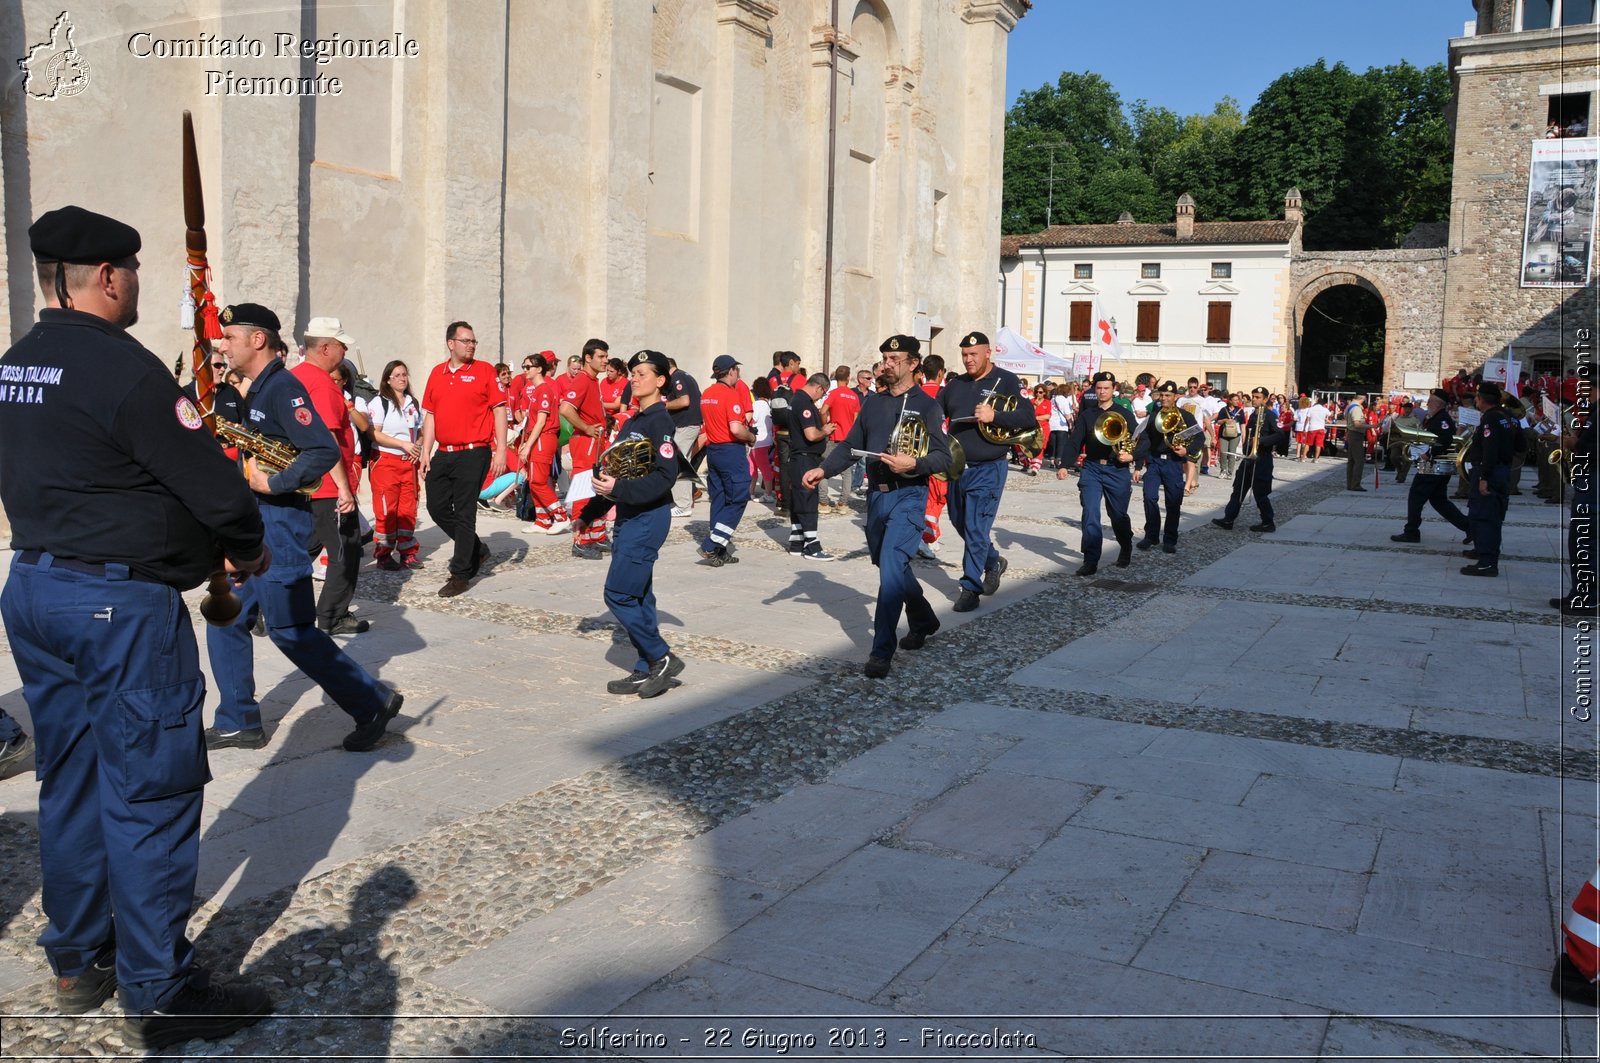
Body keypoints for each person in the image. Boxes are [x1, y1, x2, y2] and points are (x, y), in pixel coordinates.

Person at [0, 206, 274, 1047]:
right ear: (110, 277)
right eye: (135, 274)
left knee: (73, 777)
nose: (136, 287)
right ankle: (159, 987)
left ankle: (80, 957)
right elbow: (214, 486)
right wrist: (245, 547)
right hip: (116, 606)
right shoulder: (125, 369)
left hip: (35, 586)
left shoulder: (15, 363)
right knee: (149, 787)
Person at [204, 302, 404, 754]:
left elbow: (320, 451)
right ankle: (238, 720)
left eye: (230, 337)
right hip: (256, 525)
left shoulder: (283, 388)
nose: (223, 344)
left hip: (280, 526)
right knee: (226, 614)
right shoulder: (256, 389)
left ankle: (371, 702)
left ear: (258, 340)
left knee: (291, 629)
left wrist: (272, 481)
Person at [806, 334, 952, 677]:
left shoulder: (927, 405)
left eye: (893, 359)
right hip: (877, 497)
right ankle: (924, 619)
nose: (885, 364)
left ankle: (880, 651)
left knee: (890, 569)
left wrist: (914, 464)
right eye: (884, 358)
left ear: (913, 364)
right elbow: (849, 446)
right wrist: (823, 469)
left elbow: (943, 456)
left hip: (909, 496)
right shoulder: (873, 403)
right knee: (893, 568)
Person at [597, 350, 687, 698]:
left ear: (660, 381)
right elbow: (623, 471)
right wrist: (596, 503)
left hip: (649, 516)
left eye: (642, 374)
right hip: (630, 513)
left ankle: (661, 657)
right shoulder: (634, 421)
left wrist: (618, 488)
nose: (633, 378)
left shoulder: (659, 421)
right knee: (640, 595)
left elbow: (665, 477)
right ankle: (644, 666)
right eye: (632, 373)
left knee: (617, 593)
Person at [938, 330, 1033, 609]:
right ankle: (994, 561)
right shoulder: (955, 384)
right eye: (965, 355)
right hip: (957, 468)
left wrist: (996, 416)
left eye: (973, 355)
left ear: (988, 353)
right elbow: (934, 412)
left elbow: (1028, 416)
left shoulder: (1006, 380)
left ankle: (970, 587)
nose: (968, 360)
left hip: (989, 467)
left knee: (977, 527)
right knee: (960, 523)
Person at [419, 321, 508, 595]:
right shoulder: (437, 373)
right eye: (465, 341)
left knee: (466, 511)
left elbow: (499, 410)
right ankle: (477, 549)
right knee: (437, 506)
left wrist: (501, 449)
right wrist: (425, 451)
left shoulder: (483, 371)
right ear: (451, 343)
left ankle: (460, 573)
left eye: (473, 341)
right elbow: (431, 415)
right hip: (444, 452)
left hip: (475, 451)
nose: (471, 346)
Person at [293, 317, 366, 634]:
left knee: (301, 549)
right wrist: (343, 489)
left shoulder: (293, 378)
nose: (346, 348)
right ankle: (333, 616)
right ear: (325, 347)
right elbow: (327, 441)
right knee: (345, 552)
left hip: (302, 484)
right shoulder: (322, 385)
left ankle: (264, 606)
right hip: (326, 486)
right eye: (341, 344)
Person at [1056, 371, 1135, 576]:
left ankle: (1125, 545)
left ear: (1113, 389)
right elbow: (1075, 441)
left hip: (1116, 470)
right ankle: (1090, 560)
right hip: (1091, 468)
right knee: (1090, 513)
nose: (1102, 392)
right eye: (1099, 388)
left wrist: (1132, 456)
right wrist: (1064, 464)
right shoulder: (1088, 414)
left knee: (1117, 515)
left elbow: (1139, 439)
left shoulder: (1124, 413)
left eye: (1106, 388)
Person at [1391, 390, 1470, 546]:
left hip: (1434, 465)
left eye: (1431, 402)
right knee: (1439, 501)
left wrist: (1430, 452)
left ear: (1438, 404)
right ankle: (1470, 527)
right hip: (1436, 466)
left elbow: (1446, 439)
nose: (1428, 404)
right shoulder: (1435, 418)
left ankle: (1411, 532)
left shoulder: (1442, 419)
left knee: (1416, 496)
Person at [696, 355, 754, 565]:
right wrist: (752, 437)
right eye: (737, 370)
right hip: (731, 451)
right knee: (739, 498)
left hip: (714, 451)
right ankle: (712, 544)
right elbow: (736, 429)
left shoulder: (707, 394)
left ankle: (719, 550)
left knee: (719, 499)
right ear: (731, 371)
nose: (738, 373)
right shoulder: (730, 394)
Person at [366, 359, 424, 569]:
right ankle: (383, 554)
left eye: (404, 374)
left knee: (408, 509)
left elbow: (421, 431)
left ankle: (408, 552)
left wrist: (417, 446)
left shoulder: (412, 402)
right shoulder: (380, 403)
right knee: (386, 510)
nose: (402, 379)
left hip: (408, 462)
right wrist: (402, 444)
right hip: (386, 461)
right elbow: (374, 433)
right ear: (387, 380)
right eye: (397, 375)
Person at [1460, 381, 1519, 577]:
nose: (1475, 400)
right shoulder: (1509, 417)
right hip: (1501, 470)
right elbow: (1521, 444)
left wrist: (1484, 477)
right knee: (1482, 514)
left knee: (1486, 517)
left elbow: (1490, 450)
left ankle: (1487, 562)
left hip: (1490, 471)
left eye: (1477, 397)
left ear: (1482, 399)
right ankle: (1481, 550)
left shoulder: (1490, 419)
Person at [560, 338, 612, 559]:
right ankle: (580, 540)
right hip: (586, 442)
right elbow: (565, 409)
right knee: (584, 490)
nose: (605, 361)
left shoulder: (593, 381)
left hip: (596, 442)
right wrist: (587, 428)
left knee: (598, 489)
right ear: (587, 358)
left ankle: (596, 536)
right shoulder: (582, 380)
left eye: (606, 356)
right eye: (601, 356)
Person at [1212, 387, 1288, 534]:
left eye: (1258, 397)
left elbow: (1280, 435)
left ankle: (1268, 522)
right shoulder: (1253, 415)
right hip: (1248, 458)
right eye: (1253, 396)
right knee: (1238, 489)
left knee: (1260, 493)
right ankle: (1229, 518)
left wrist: (1262, 440)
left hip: (1262, 458)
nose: (1254, 399)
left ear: (1265, 400)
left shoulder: (1270, 416)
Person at [1134, 381, 1196, 554]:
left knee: (1173, 503)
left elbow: (1198, 438)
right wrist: (1138, 466)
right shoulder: (1154, 416)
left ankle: (1170, 539)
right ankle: (1151, 536)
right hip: (1154, 461)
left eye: (1168, 395)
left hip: (1173, 463)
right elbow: (1144, 440)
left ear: (1175, 397)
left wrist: (1187, 450)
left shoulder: (1185, 416)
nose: (1164, 398)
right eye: (1161, 395)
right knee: (1149, 497)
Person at [515, 352, 572, 534]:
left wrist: (529, 445)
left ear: (539, 369)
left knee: (539, 481)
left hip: (543, 438)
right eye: (523, 366)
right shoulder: (536, 390)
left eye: (528, 366)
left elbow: (541, 421)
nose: (525, 370)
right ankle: (542, 520)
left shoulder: (545, 390)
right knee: (533, 481)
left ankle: (561, 516)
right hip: (536, 437)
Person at [786, 373, 833, 559]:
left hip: (799, 457)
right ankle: (812, 546)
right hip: (805, 458)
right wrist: (825, 430)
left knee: (799, 498)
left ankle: (797, 542)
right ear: (819, 387)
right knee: (807, 500)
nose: (822, 397)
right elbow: (811, 435)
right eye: (823, 393)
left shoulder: (796, 399)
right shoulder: (804, 403)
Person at [663, 357, 702, 517]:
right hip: (687, 425)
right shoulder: (685, 376)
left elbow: (684, 401)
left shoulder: (677, 377)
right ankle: (683, 502)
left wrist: (662, 406)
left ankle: (684, 505)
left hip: (686, 426)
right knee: (681, 461)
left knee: (677, 462)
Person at [821, 365, 859, 512]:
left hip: (833, 435)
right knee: (847, 472)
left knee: (824, 467)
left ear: (836, 378)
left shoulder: (834, 393)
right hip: (848, 438)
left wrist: (826, 424)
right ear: (848, 378)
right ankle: (843, 504)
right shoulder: (854, 396)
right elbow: (856, 420)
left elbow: (823, 411)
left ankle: (824, 503)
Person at [1344, 393, 1369, 490]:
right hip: (1356, 434)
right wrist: (1372, 426)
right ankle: (1355, 484)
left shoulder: (1349, 406)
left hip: (1351, 433)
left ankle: (1350, 484)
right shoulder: (1356, 408)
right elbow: (1357, 424)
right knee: (1359, 461)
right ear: (1363, 399)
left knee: (1351, 461)